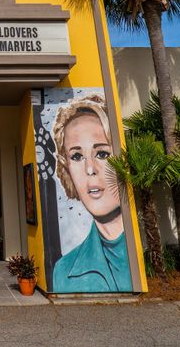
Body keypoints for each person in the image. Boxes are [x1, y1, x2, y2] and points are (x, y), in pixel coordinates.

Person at [51, 94, 132, 292]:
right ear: (66, 167)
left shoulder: (143, 253)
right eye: (77, 156)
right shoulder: (63, 271)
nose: (90, 168)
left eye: (102, 154)